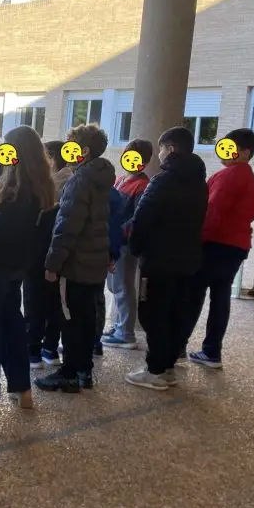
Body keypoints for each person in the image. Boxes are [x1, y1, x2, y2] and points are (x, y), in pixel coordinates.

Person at [0, 126, 55, 412]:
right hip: (17, 267)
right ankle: (21, 388)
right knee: (12, 326)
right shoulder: (41, 186)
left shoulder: (17, 190)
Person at [124, 126, 207, 391]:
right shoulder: (200, 182)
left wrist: (136, 248)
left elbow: (142, 219)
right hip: (188, 259)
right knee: (176, 313)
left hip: (159, 261)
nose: (159, 154)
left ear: (170, 149)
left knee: (153, 313)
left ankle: (155, 370)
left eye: (161, 149)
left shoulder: (162, 181)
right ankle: (168, 366)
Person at [34, 124, 115, 393]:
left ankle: (69, 373)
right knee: (87, 316)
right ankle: (84, 369)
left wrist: (53, 262)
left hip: (77, 261)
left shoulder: (79, 180)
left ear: (85, 151)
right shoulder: (102, 177)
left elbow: (67, 225)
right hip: (95, 257)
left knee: (70, 318)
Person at [180, 128, 254, 370]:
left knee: (194, 295)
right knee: (220, 297)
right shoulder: (249, 177)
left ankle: (177, 346)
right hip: (236, 244)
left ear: (244, 152)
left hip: (217, 243)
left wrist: (198, 239)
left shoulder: (230, 175)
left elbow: (212, 211)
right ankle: (212, 350)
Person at [100, 139, 152, 350]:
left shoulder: (142, 185)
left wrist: (120, 232)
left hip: (125, 243)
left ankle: (126, 332)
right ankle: (120, 325)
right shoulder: (121, 180)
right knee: (115, 286)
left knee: (123, 286)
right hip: (114, 241)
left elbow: (137, 217)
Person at [24, 141, 71, 368]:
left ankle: (33, 350)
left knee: (34, 302)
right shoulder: (72, 181)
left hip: (38, 254)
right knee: (54, 303)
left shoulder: (46, 185)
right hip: (59, 254)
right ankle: (50, 349)